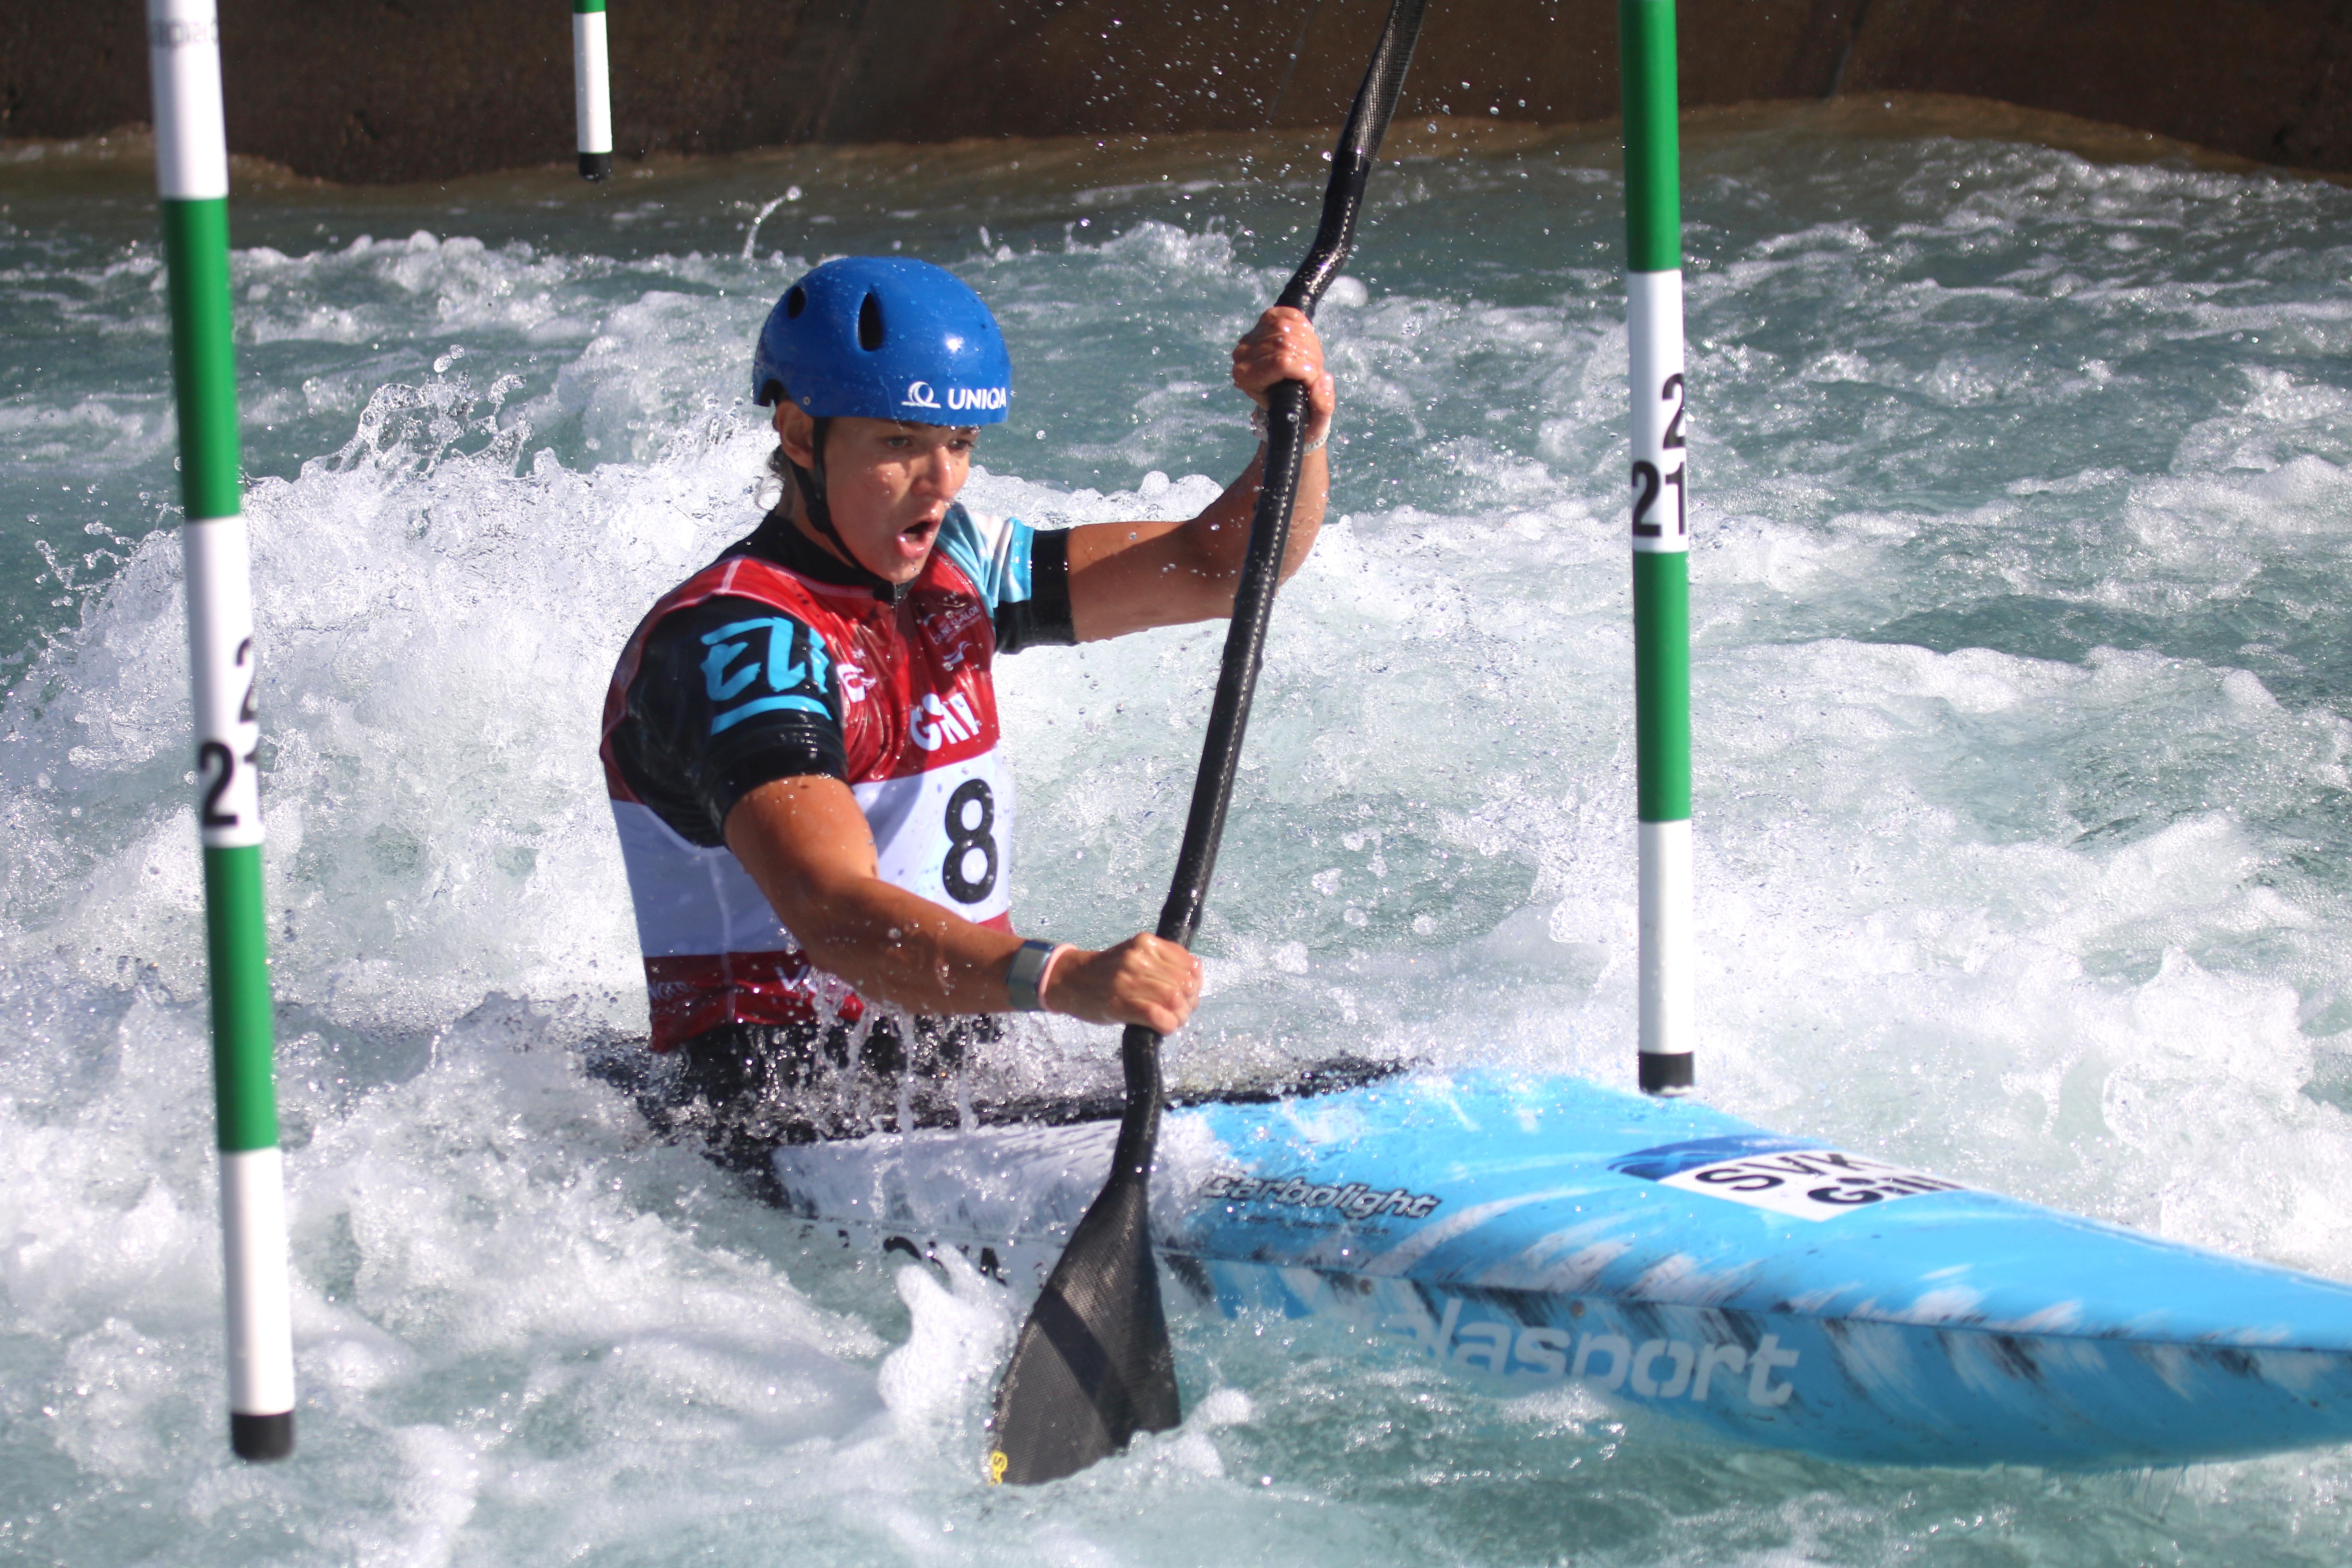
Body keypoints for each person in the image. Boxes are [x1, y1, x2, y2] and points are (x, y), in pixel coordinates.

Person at [599, 255, 1334, 1163]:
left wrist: (1292, 431)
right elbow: (830, 912)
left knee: (1331, 1084)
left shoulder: (962, 568)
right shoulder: (735, 643)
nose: (941, 480)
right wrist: (1062, 976)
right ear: (798, 433)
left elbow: (1225, 566)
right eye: (901, 443)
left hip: (968, 1065)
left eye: (962, 442)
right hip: (776, 1102)